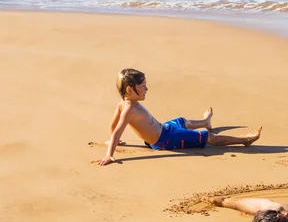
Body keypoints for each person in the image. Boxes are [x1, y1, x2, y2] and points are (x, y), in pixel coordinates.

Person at [97, 68, 262, 166]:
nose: (147, 89)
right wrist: (110, 154)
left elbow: (112, 126)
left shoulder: (123, 104)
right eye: (143, 86)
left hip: (165, 129)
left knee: (182, 121)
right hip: (165, 140)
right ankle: (244, 140)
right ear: (129, 90)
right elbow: (118, 128)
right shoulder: (129, 109)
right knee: (209, 138)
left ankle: (205, 121)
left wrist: (115, 140)